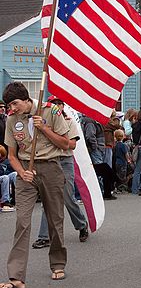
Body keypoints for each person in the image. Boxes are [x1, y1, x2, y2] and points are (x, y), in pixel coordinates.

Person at [0, 82, 69, 288]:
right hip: (26, 173)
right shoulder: (12, 120)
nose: (12, 108)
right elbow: (11, 155)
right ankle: (16, 277)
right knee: (22, 221)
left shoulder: (51, 110)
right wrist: (22, 172)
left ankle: (58, 263)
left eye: (15, 103)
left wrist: (44, 128)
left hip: (50, 168)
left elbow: (65, 144)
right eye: (9, 105)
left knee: (54, 219)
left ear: (27, 99)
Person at [32, 96, 88, 249]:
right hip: (51, 161)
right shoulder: (43, 122)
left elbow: (71, 145)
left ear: (63, 106)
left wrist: (54, 137)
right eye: (54, 104)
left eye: (59, 104)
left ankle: (81, 224)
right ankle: (44, 236)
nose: (57, 106)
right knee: (47, 199)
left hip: (65, 161)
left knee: (68, 197)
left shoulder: (69, 121)